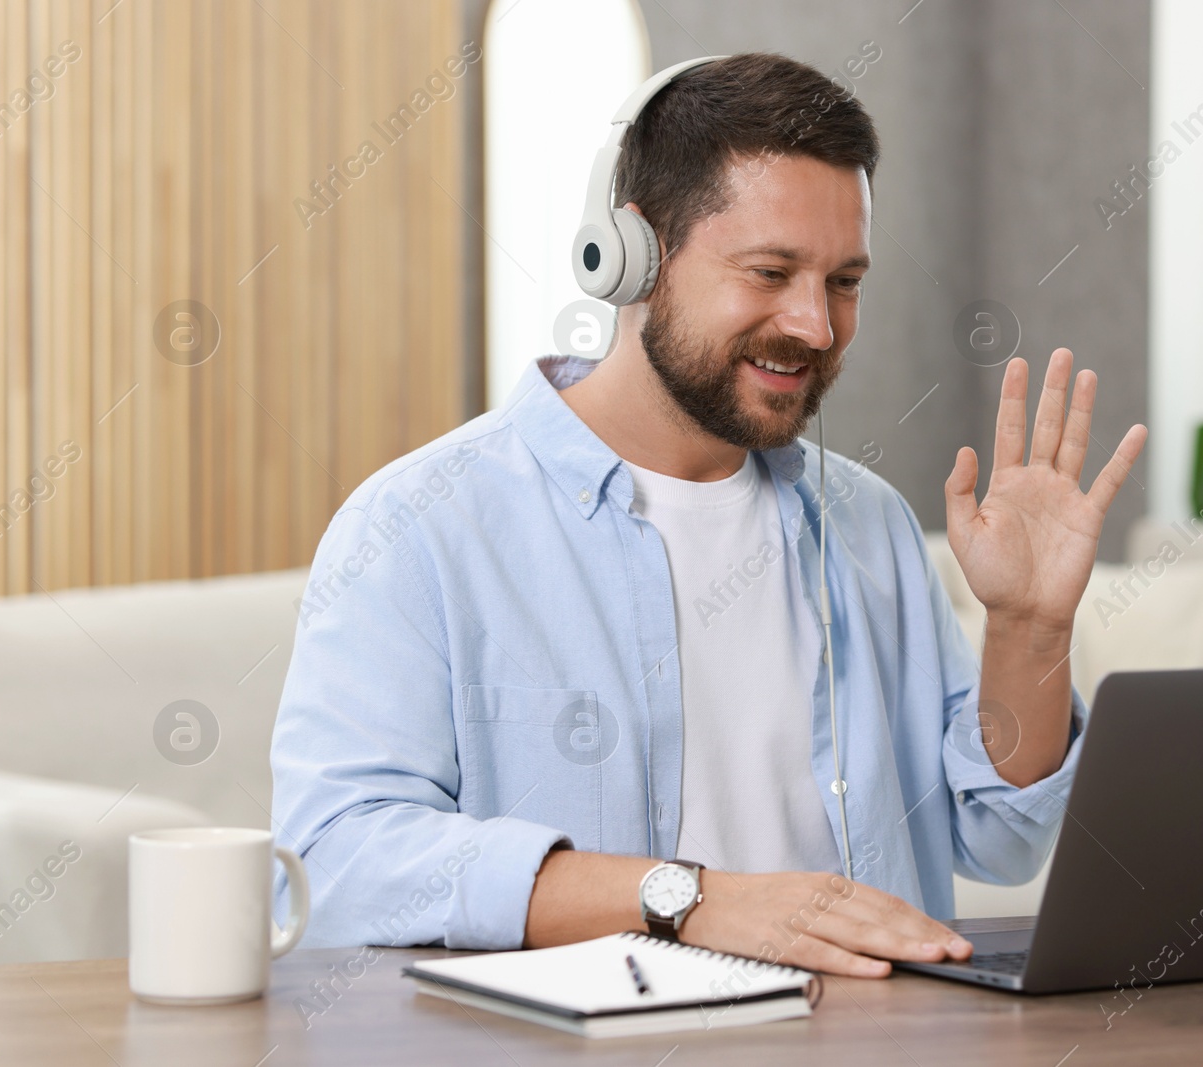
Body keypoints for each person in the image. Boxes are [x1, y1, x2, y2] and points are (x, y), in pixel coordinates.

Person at [269, 51, 1146, 979]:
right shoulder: (422, 526)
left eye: (844, 281)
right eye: (770, 272)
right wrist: (694, 899)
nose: (814, 324)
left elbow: (1000, 837)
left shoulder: (865, 522)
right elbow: (331, 865)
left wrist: (1029, 627)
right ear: (627, 257)